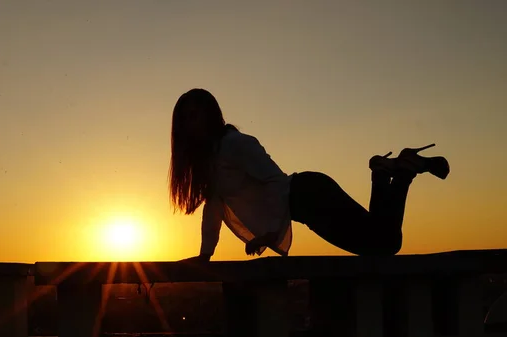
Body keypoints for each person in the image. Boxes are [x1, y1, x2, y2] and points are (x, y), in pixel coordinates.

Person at [169, 88, 450, 262]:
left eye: (195, 115)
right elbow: (214, 206)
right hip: (309, 206)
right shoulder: (212, 159)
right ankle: (385, 171)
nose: (189, 124)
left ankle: (402, 173)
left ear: (211, 115)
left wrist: (269, 233)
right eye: (184, 118)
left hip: (312, 195)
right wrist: (205, 255)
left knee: (385, 244)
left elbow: (275, 181)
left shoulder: (233, 144)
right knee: (382, 241)